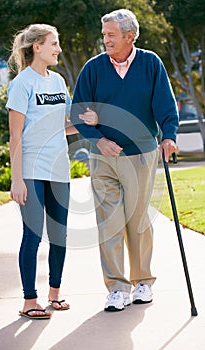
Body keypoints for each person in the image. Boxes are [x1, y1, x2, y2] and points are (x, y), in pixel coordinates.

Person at [71, 9, 179, 312]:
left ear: (129, 36)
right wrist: (97, 139)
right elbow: (78, 111)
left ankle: (143, 281)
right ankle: (116, 288)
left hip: (141, 155)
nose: (105, 39)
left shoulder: (150, 64)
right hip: (103, 157)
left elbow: (165, 104)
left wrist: (168, 135)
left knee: (138, 221)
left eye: (111, 35)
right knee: (110, 223)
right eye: (104, 34)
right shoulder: (93, 68)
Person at [6, 23, 97, 319]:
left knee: (59, 235)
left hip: (59, 168)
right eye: (54, 43)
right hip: (31, 168)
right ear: (37, 47)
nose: (59, 49)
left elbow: (63, 125)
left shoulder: (57, 81)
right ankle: (29, 301)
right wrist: (16, 179)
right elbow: (16, 135)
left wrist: (86, 123)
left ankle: (54, 295)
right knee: (33, 236)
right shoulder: (22, 83)